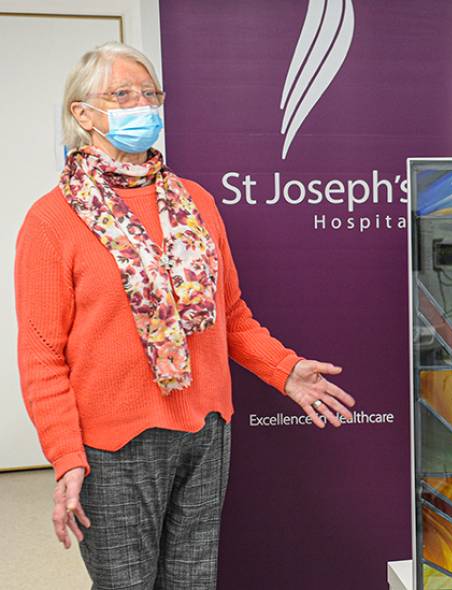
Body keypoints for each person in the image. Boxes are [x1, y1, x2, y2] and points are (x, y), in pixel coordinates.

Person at [14, 42, 355, 589]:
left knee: (193, 581)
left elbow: (231, 315)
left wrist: (284, 369)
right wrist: (65, 456)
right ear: (83, 113)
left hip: (205, 429)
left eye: (150, 94)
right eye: (123, 94)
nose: (142, 105)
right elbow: (41, 354)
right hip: (114, 445)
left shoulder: (193, 202)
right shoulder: (52, 221)